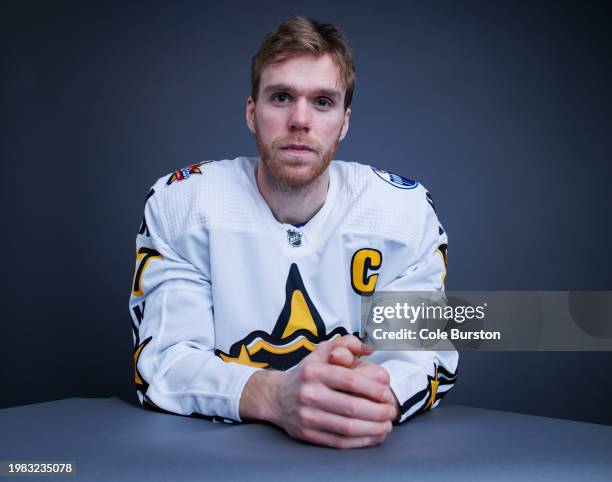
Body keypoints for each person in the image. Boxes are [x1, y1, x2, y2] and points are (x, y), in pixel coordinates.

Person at [129, 15, 458, 449]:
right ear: (252, 112)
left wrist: (371, 398)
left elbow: (426, 354)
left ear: (344, 121)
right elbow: (166, 361)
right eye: (281, 97)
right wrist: (275, 396)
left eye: (323, 102)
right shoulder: (182, 205)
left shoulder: (402, 212)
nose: (300, 120)